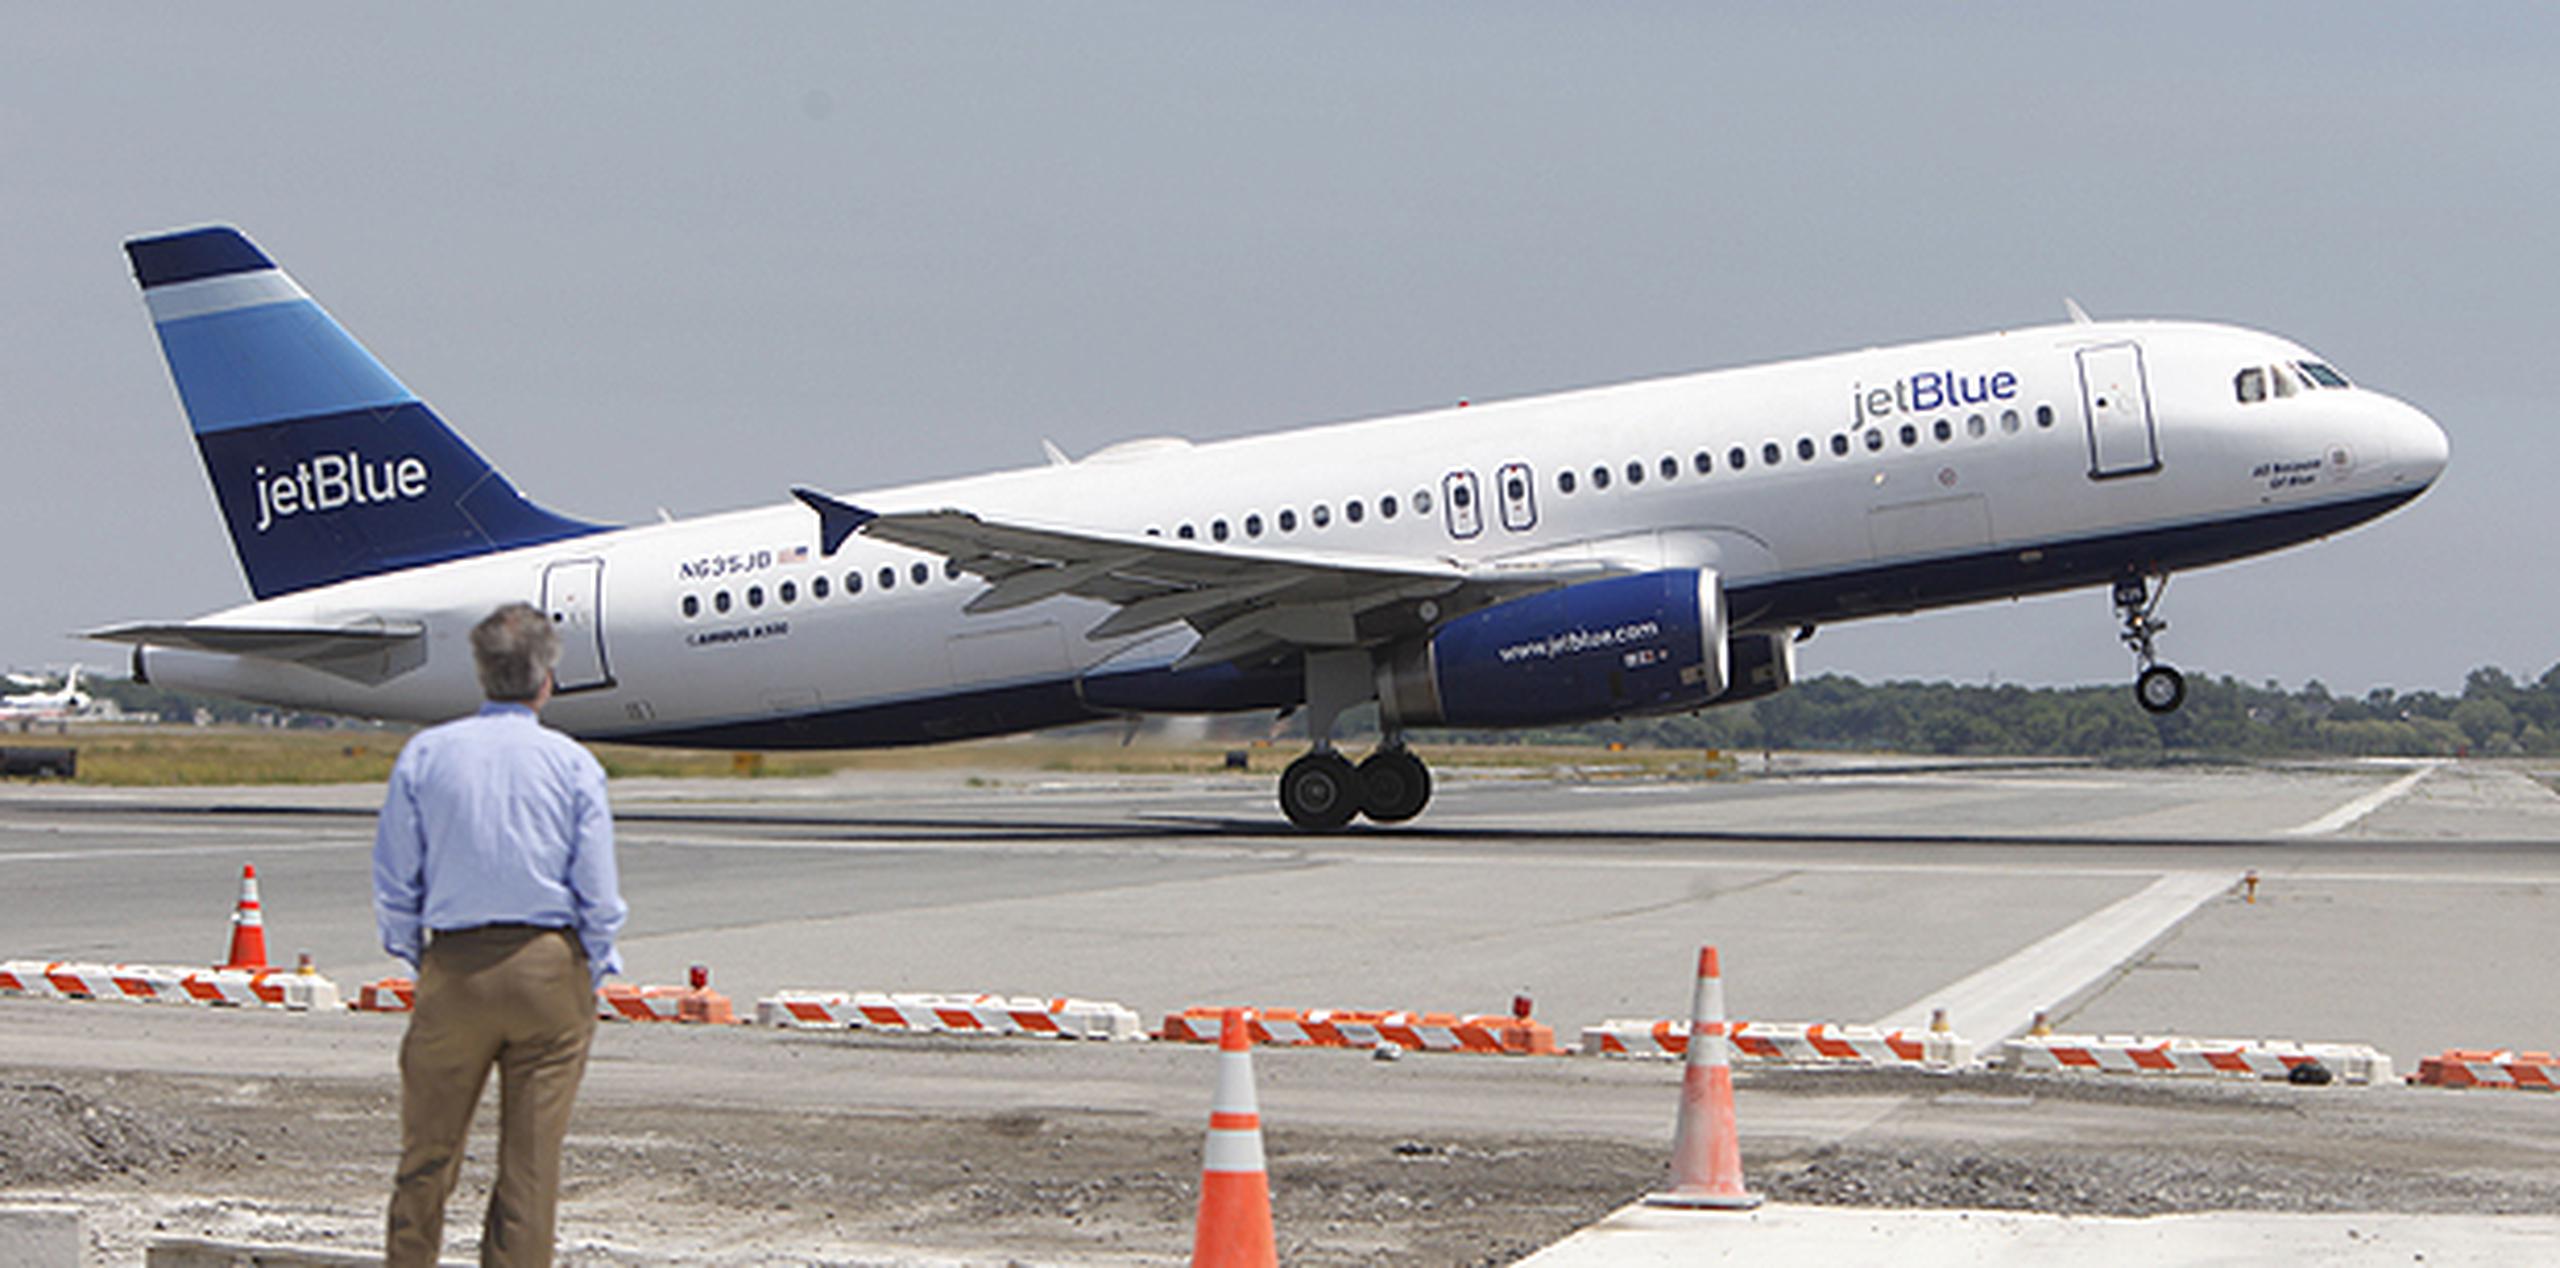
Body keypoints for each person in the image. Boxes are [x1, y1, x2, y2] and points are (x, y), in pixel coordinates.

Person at [373, 602, 627, 1268]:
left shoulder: (428, 754)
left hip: (454, 963)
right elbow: (597, 890)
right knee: (531, 1167)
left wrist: (418, 956)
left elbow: (396, 876)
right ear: (548, 679)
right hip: (547, 966)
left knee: (426, 1154)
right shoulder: (571, 764)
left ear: (480, 673)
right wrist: (594, 963)